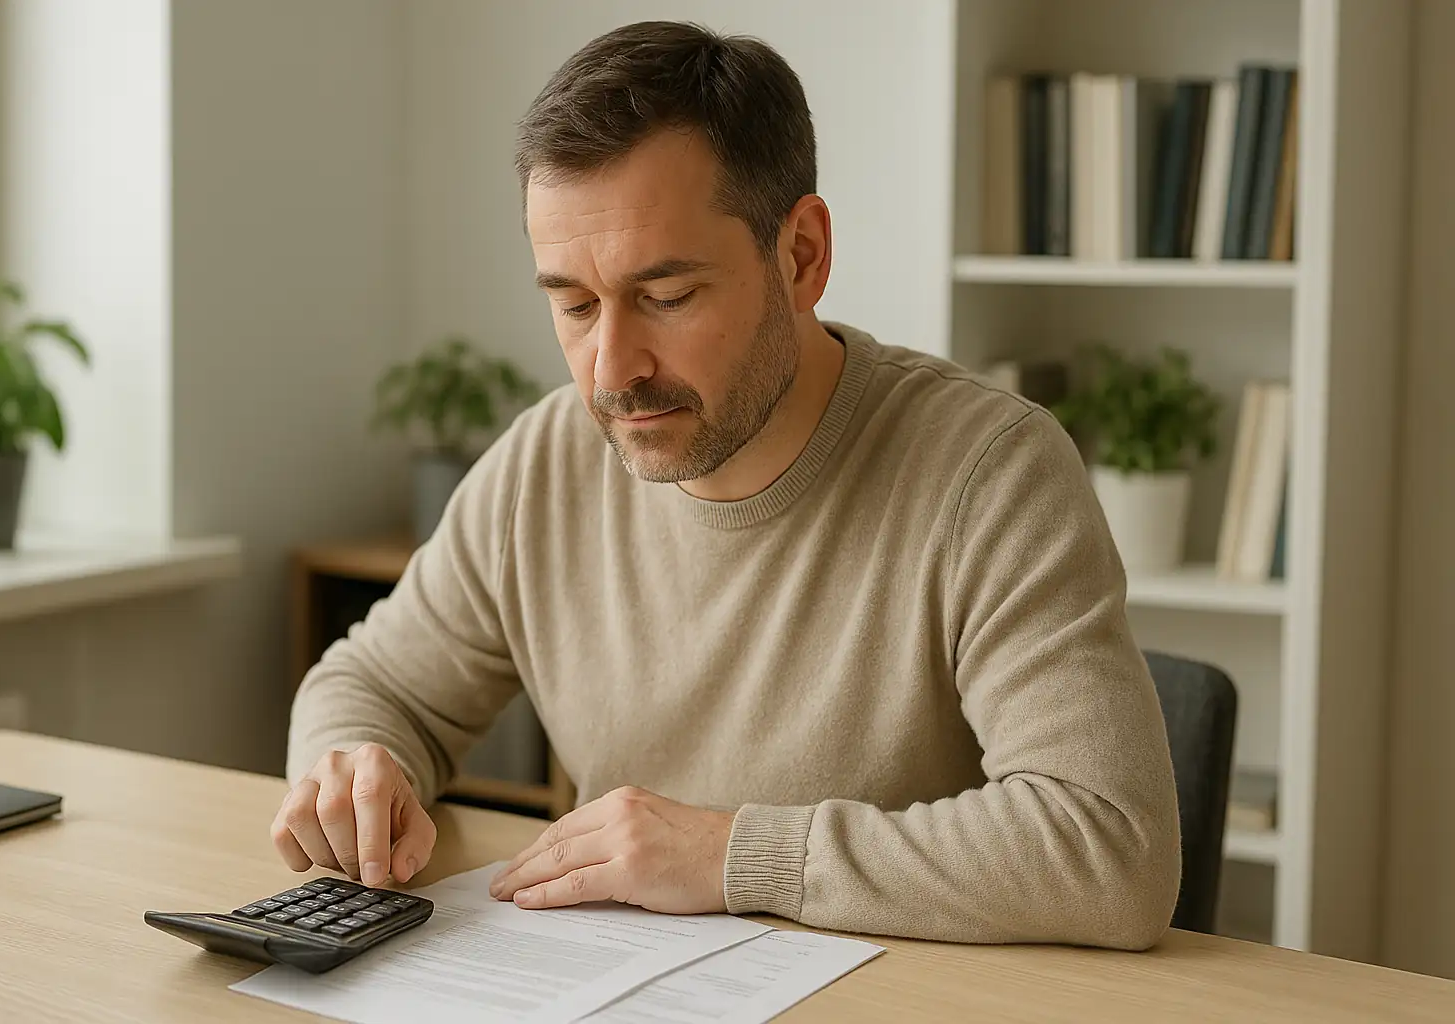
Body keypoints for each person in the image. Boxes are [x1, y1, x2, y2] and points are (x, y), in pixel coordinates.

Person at [277, 20, 1181, 950]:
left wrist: (733, 858)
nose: (611, 368)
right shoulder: (545, 461)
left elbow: (1111, 850)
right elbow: (374, 682)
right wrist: (356, 770)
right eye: (574, 305)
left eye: (667, 298)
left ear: (801, 257)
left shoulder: (990, 472)